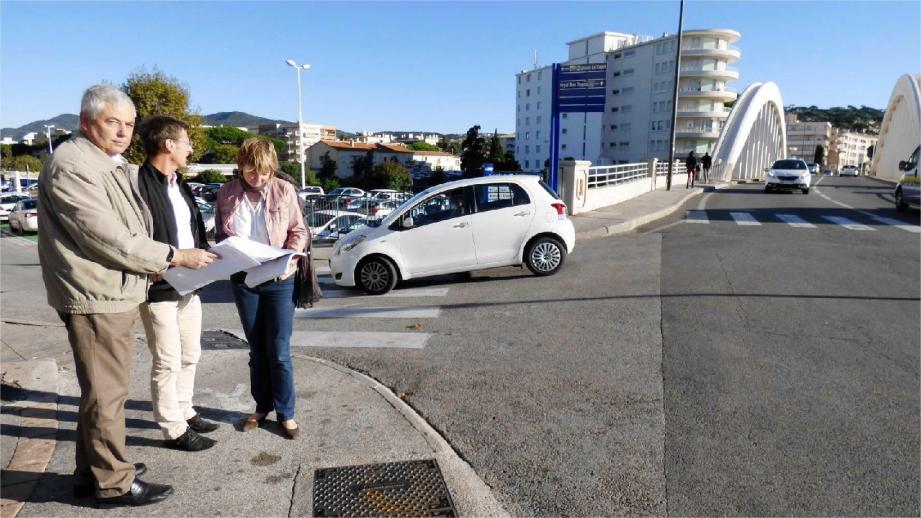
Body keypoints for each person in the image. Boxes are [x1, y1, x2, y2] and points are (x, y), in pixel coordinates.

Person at [37, 84, 216, 507]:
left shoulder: (106, 162)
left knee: (100, 391)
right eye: (112, 122)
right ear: (86, 121)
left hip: (110, 289)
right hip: (95, 292)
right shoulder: (73, 165)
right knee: (107, 394)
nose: (122, 132)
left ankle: (91, 471)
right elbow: (108, 236)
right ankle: (113, 481)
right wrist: (172, 256)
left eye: (129, 124)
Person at [135, 115, 219, 452]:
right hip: (158, 286)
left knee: (192, 353)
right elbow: (134, 236)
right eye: (186, 142)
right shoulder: (139, 183)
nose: (190, 148)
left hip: (189, 283)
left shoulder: (179, 183)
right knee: (167, 359)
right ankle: (172, 428)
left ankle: (184, 409)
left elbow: (192, 228)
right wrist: (157, 262)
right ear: (169, 145)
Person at [214, 138, 308, 439]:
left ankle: (286, 413)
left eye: (265, 172)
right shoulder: (227, 193)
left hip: (280, 280)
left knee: (279, 350)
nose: (259, 178)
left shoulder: (284, 190)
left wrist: (291, 255)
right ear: (241, 166)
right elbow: (221, 233)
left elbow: (299, 230)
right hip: (244, 280)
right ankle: (261, 406)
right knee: (257, 350)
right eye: (252, 171)